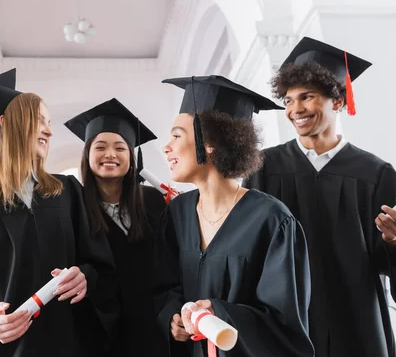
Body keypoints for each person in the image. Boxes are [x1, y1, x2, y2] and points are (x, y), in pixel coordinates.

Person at [0, 69, 116, 357]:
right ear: (5, 123)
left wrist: (85, 278)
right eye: (40, 120)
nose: (49, 131)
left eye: (49, 123)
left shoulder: (67, 191)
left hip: (67, 347)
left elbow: (100, 266)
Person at [243, 37, 396, 357]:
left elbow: (385, 264)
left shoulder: (375, 173)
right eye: (288, 100)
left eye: (307, 97)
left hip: (356, 322)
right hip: (286, 321)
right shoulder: (264, 168)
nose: (295, 109)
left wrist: (394, 242)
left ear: (337, 101)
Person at [155, 75, 314, 357]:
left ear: (210, 143)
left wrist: (221, 314)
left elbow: (285, 326)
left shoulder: (271, 220)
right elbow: (164, 288)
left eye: (177, 135)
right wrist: (173, 316)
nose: (166, 147)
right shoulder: (177, 214)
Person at [64, 98, 172, 356]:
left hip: (154, 328)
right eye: (100, 147)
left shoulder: (155, 202)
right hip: (99, 333)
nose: (110, 155)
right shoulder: (72, 208)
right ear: (87, 154)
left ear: (131, 157)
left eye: (120, 148)